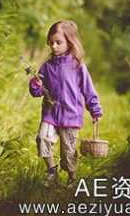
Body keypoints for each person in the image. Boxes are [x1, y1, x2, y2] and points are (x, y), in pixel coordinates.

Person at [29, 20, 102, 187]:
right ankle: (52, 171)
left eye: (58, 42)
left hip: (71, 114)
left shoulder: (77, 66)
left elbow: (88, 89)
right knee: (42, 139)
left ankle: (72, 176)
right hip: (50, 113)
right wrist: (36, 85)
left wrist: (95, 109)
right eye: (51, 42)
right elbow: (37, 92)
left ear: (70, 42)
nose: (54, 46)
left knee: (68, 151)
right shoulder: (46, 67)